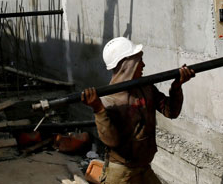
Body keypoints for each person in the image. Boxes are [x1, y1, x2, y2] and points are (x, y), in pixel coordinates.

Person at [81, 37, 195, 184]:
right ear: (127, 65)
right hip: (121, 172)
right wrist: (98, 109)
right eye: (139, 60)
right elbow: (112, 141)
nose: (143, 65)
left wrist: (176, 87)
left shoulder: (146, 88)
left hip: (143, 167)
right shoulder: (109, 101)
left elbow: (171, 111)